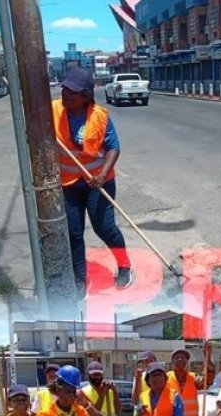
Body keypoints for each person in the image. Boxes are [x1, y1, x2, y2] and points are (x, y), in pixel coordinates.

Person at [53, 67, 132, 294]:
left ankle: (124, 265)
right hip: (69, 183)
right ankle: (80, 278)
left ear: (86, 95)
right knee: (74, 232)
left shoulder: (100, 116)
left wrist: (101, 175)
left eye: (73, 92)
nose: (66, 95)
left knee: (104, 228)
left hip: (98, 182)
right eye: (65, 90)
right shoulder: (53, 110)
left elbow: (113, 148)